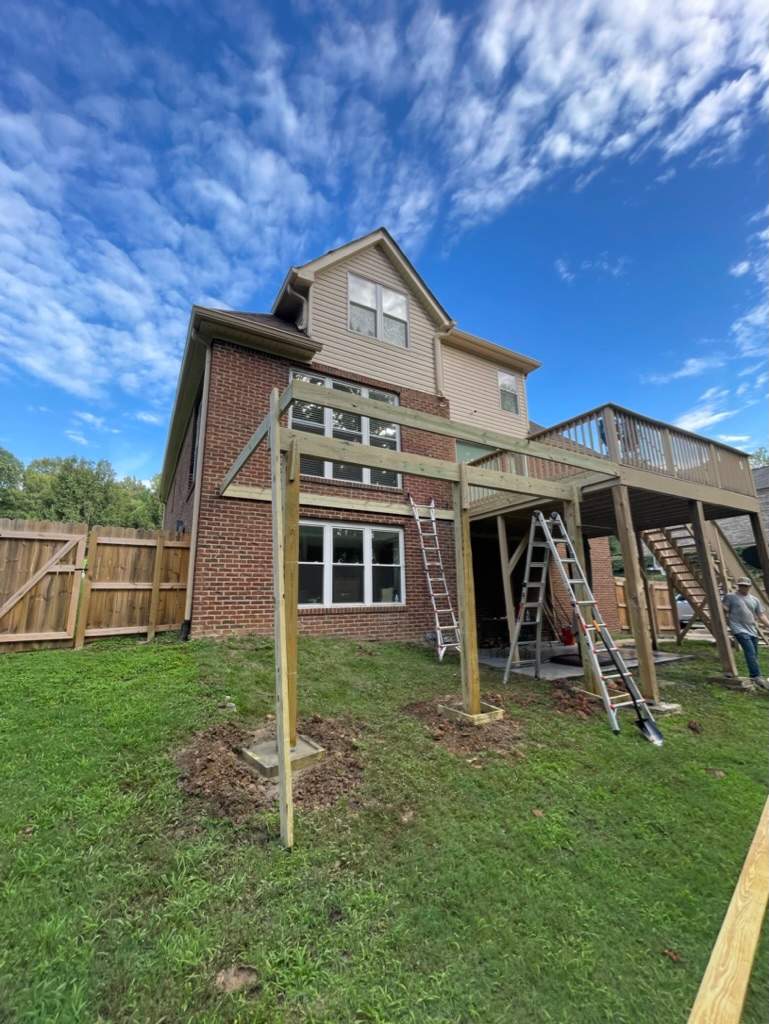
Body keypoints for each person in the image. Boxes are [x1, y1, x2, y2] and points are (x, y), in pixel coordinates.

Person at [722, 577, 769, 689]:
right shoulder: (730, 597)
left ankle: (753, 675)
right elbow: (723, 609)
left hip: (752, 629)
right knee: (750, 652)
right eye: (741, 585)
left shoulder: (754, 600)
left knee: (754, 654)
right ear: (738, 585)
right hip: (739, 629)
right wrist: (726, 621)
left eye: (745, 585)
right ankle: (756, 676)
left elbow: (761, 615)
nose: (743, 587)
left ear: (749, 586)